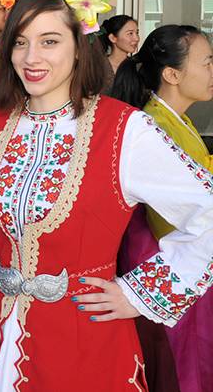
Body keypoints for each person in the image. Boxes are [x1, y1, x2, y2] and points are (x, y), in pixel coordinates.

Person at [0, 0, 213, 391]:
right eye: (20, 42)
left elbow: (207, 211)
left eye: (49, 41)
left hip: (84, 339)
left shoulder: (125, 130)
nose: (31, 57)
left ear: (78, 44)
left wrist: (142, 293)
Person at [112, 24, 213, 392]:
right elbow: (176, 218)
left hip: (184, 251)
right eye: (208, 62)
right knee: (182, 365)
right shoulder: (154, 126)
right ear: (172, 74)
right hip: (169, 255)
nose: (212, 71)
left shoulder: (175, 118)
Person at [100, 15, 140, 90]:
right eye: (130, 33)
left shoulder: (137, 67)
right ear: (113, 38)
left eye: (137, 33)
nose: (137, 38)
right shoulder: (98, 67)